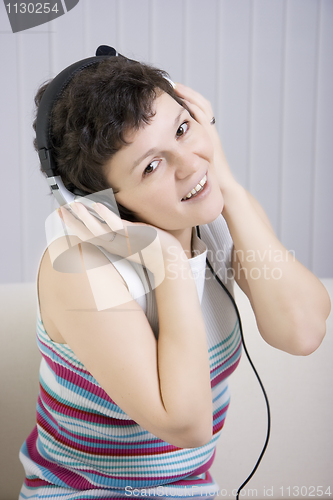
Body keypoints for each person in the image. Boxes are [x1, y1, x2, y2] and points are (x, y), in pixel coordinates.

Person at [19, 51, 330, 500]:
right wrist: (168, 262)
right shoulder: (79, 266)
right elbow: (187, 426)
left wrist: (223, 174)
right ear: (103, 202)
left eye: (183, 129)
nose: (189, 166)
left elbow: (302, 332)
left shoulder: (215, 217)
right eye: (152, 165)